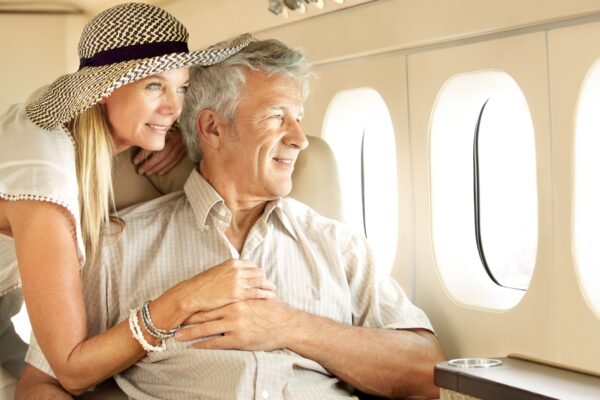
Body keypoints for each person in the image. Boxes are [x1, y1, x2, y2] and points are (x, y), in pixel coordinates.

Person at [18, 38, 445, 399]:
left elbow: (428, 374)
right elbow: (42, 384)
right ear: (213, 129)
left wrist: (290, 327)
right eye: (278, 116)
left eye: (298, 118)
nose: (299, 139)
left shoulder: (339, 245)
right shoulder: (116, 245)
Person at [0, 2, 271, 397]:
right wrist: (182, 300)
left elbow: (154, 112)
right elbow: (72, 367)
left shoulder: (64, 119)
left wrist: (169, 131)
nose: (174, 107)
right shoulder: (46, 188)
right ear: (100, 91)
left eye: (181, 87)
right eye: (154, 86)